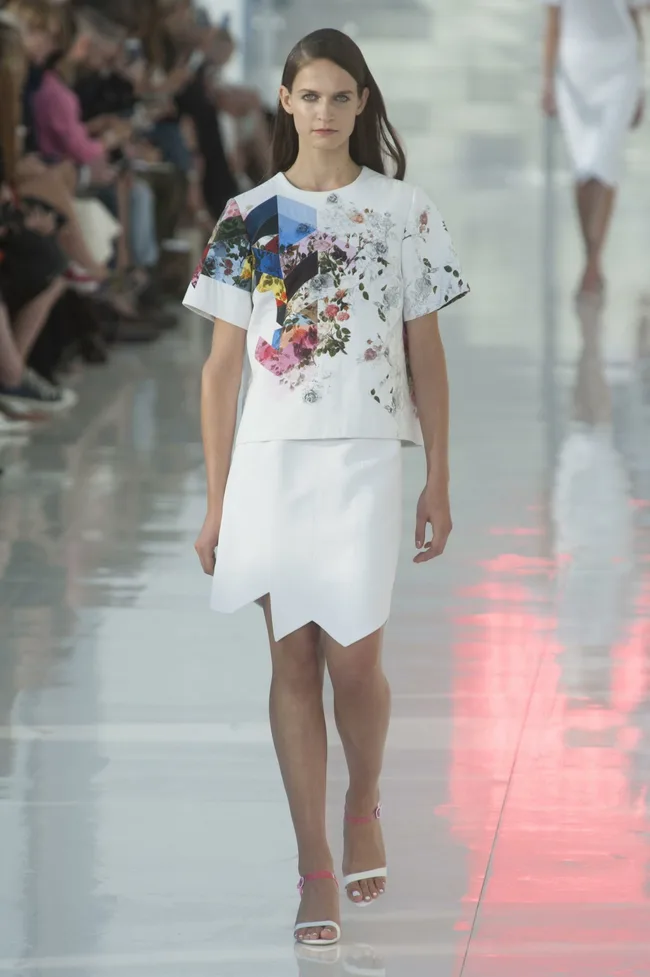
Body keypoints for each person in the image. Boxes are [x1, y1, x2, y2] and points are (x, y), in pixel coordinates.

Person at [184, 28, 469, 947]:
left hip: (362, 459)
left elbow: (427, 351)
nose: (325, 112)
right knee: (292, 662)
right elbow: (221, 372)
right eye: (309, 96)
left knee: (355, 661)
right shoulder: (249, 216)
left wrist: (439, 476)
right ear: (284, 100)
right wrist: (218, 499)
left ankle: (366, 800)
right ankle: (314, 864)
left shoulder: (403, 211)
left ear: (361, 103)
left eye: (341, 97)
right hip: (273, 457)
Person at [541, 0, 646, 296]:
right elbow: (553, 19)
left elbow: (637, 18)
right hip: (576, 69)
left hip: (620, 67)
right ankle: (590, 253)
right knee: (584, 168)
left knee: (606, 164)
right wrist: (547, 81)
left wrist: (641, 86)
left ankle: (594, 260)